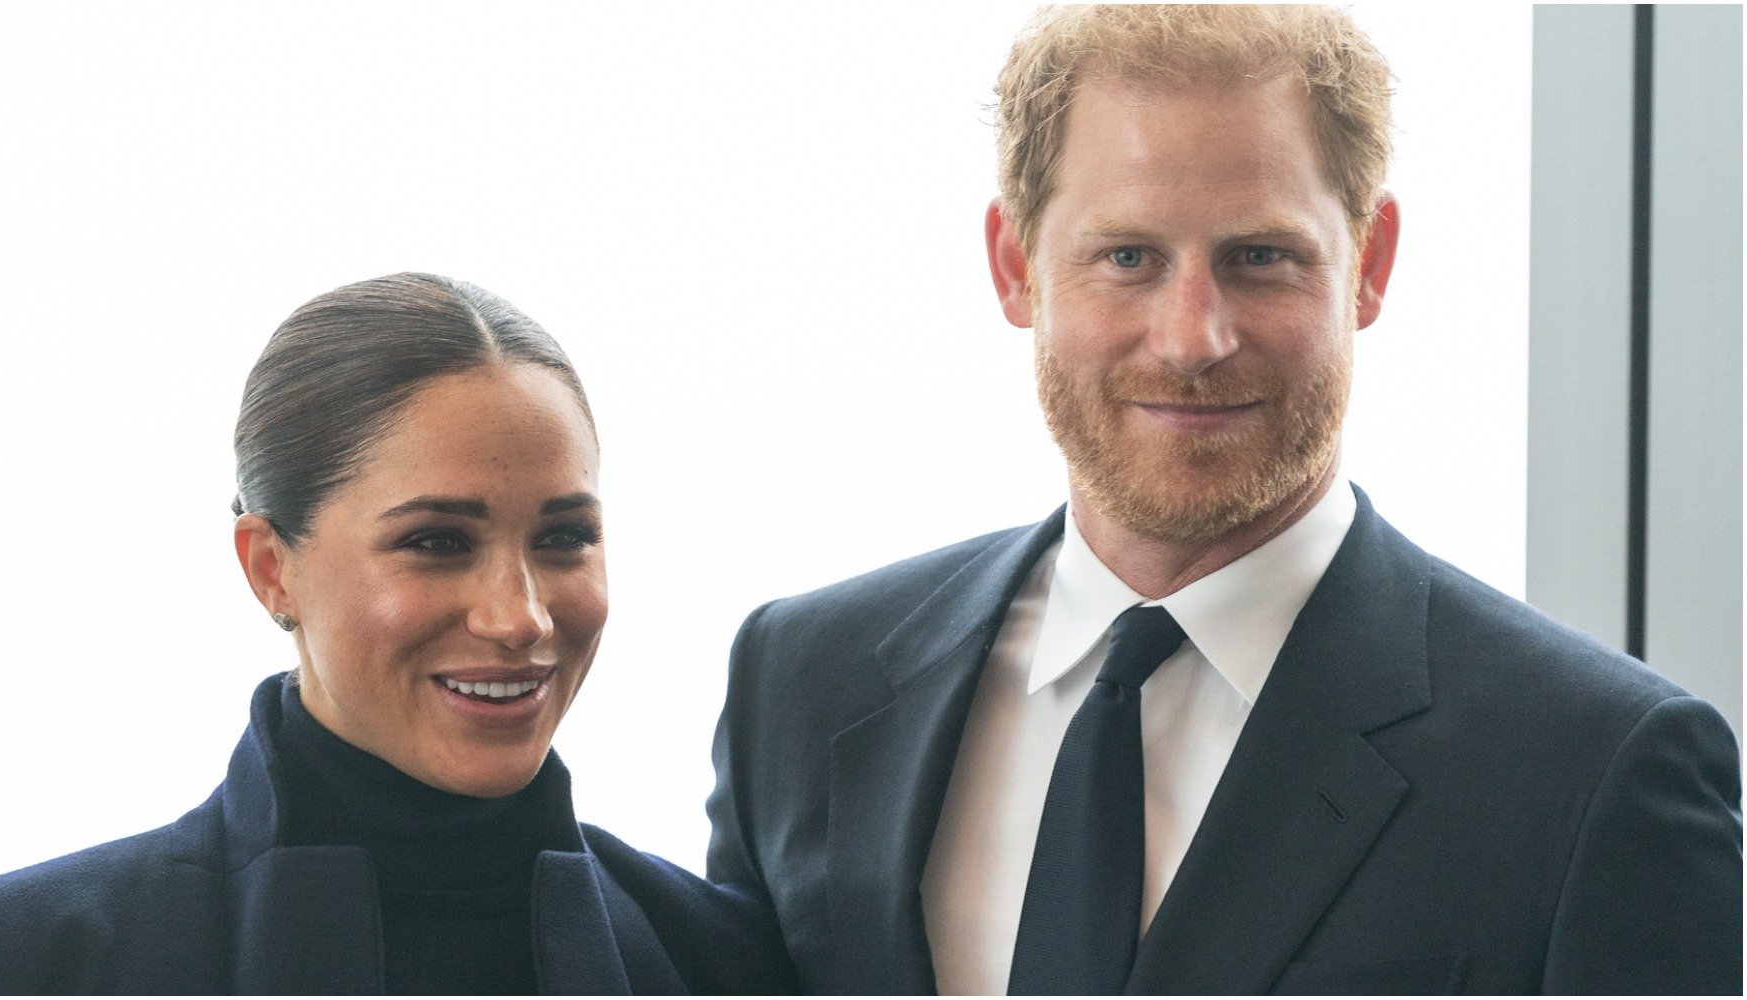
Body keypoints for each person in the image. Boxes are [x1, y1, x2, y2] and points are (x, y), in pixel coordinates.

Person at [705, 6, 1742, 995]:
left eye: (1258, 258)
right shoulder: (802, 686)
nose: (1191, 336)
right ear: (1015, 264)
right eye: (1126, 257)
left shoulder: (1593, 770)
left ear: (1367, 265)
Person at [0, 273, 794, 994]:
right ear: (270, 567)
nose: (519, 616)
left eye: (564, 537)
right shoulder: (11, 968)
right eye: (437, 542)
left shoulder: (725, 965)